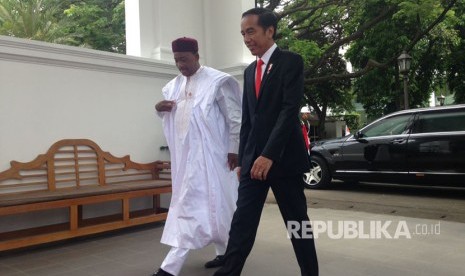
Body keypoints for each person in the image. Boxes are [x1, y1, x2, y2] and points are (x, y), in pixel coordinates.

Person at [213, 8, 318, 276]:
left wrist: (269, 154)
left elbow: (288, 110)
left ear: (269, 31)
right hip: (253, 164)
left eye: (251, 31)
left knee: (297, 224)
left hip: (284, 160)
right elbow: (249, 120)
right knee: (242, 222)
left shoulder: (291, 62)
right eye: (243, 33)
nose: (246, 38)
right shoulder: (249, 71)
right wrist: (244, 160)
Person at [153, 37, 242, 276]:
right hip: (186, 162)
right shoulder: (172, 86)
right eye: (176, 60)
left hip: (216, 159)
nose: (180, 64)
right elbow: (177, 121)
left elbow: (235, 118)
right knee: (198, 206)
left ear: (196, 55)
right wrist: (159, 110)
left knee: (216, 205)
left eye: (184, 58)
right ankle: (221, 253)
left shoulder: (216, 81)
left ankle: (171, 267)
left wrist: (234, 149)